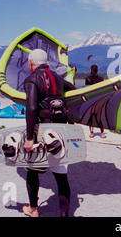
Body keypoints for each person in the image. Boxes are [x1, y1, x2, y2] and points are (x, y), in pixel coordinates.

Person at [22, 49, 76, 217]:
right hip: (60, 131)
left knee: (32, 171)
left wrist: (30, 138)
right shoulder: (58, 78)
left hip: (42, 132)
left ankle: (33, 209)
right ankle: (64, 214)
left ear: (31, 62)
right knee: (61, 177)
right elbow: (73, 90)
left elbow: (31, 108)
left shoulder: (32, 79)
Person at [85, 64, 106, 138]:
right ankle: (102, 134)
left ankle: (91, 133)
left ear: (91, 70)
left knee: (91, 116)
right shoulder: (101, 79)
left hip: (91, 99)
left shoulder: (87, 78)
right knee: (100, 115)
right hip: (99, 98)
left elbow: (87, 89)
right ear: (97, 70)